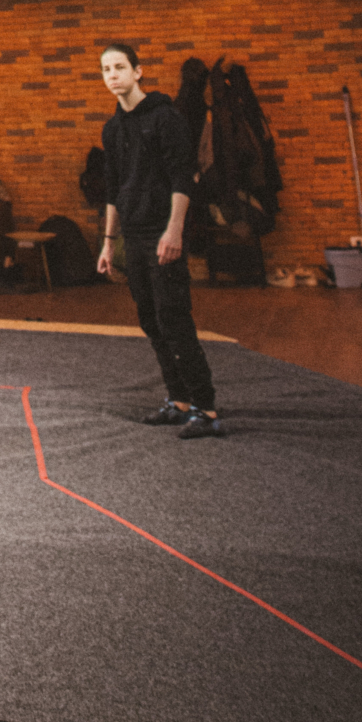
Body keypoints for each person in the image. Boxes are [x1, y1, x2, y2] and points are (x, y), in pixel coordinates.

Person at [97, 41, 224, 439]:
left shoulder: (166, 118)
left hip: (161, 231)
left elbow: (181, 178)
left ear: (138, 71)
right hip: (132, 235)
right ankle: (179, 400)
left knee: (174, 319)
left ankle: (206, 409)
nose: (112, 75)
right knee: (150, 320)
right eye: (105, 70)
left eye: (119, 67)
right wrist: (107, 242)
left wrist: (174, 230)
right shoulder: (112, 128)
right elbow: (113, 190)